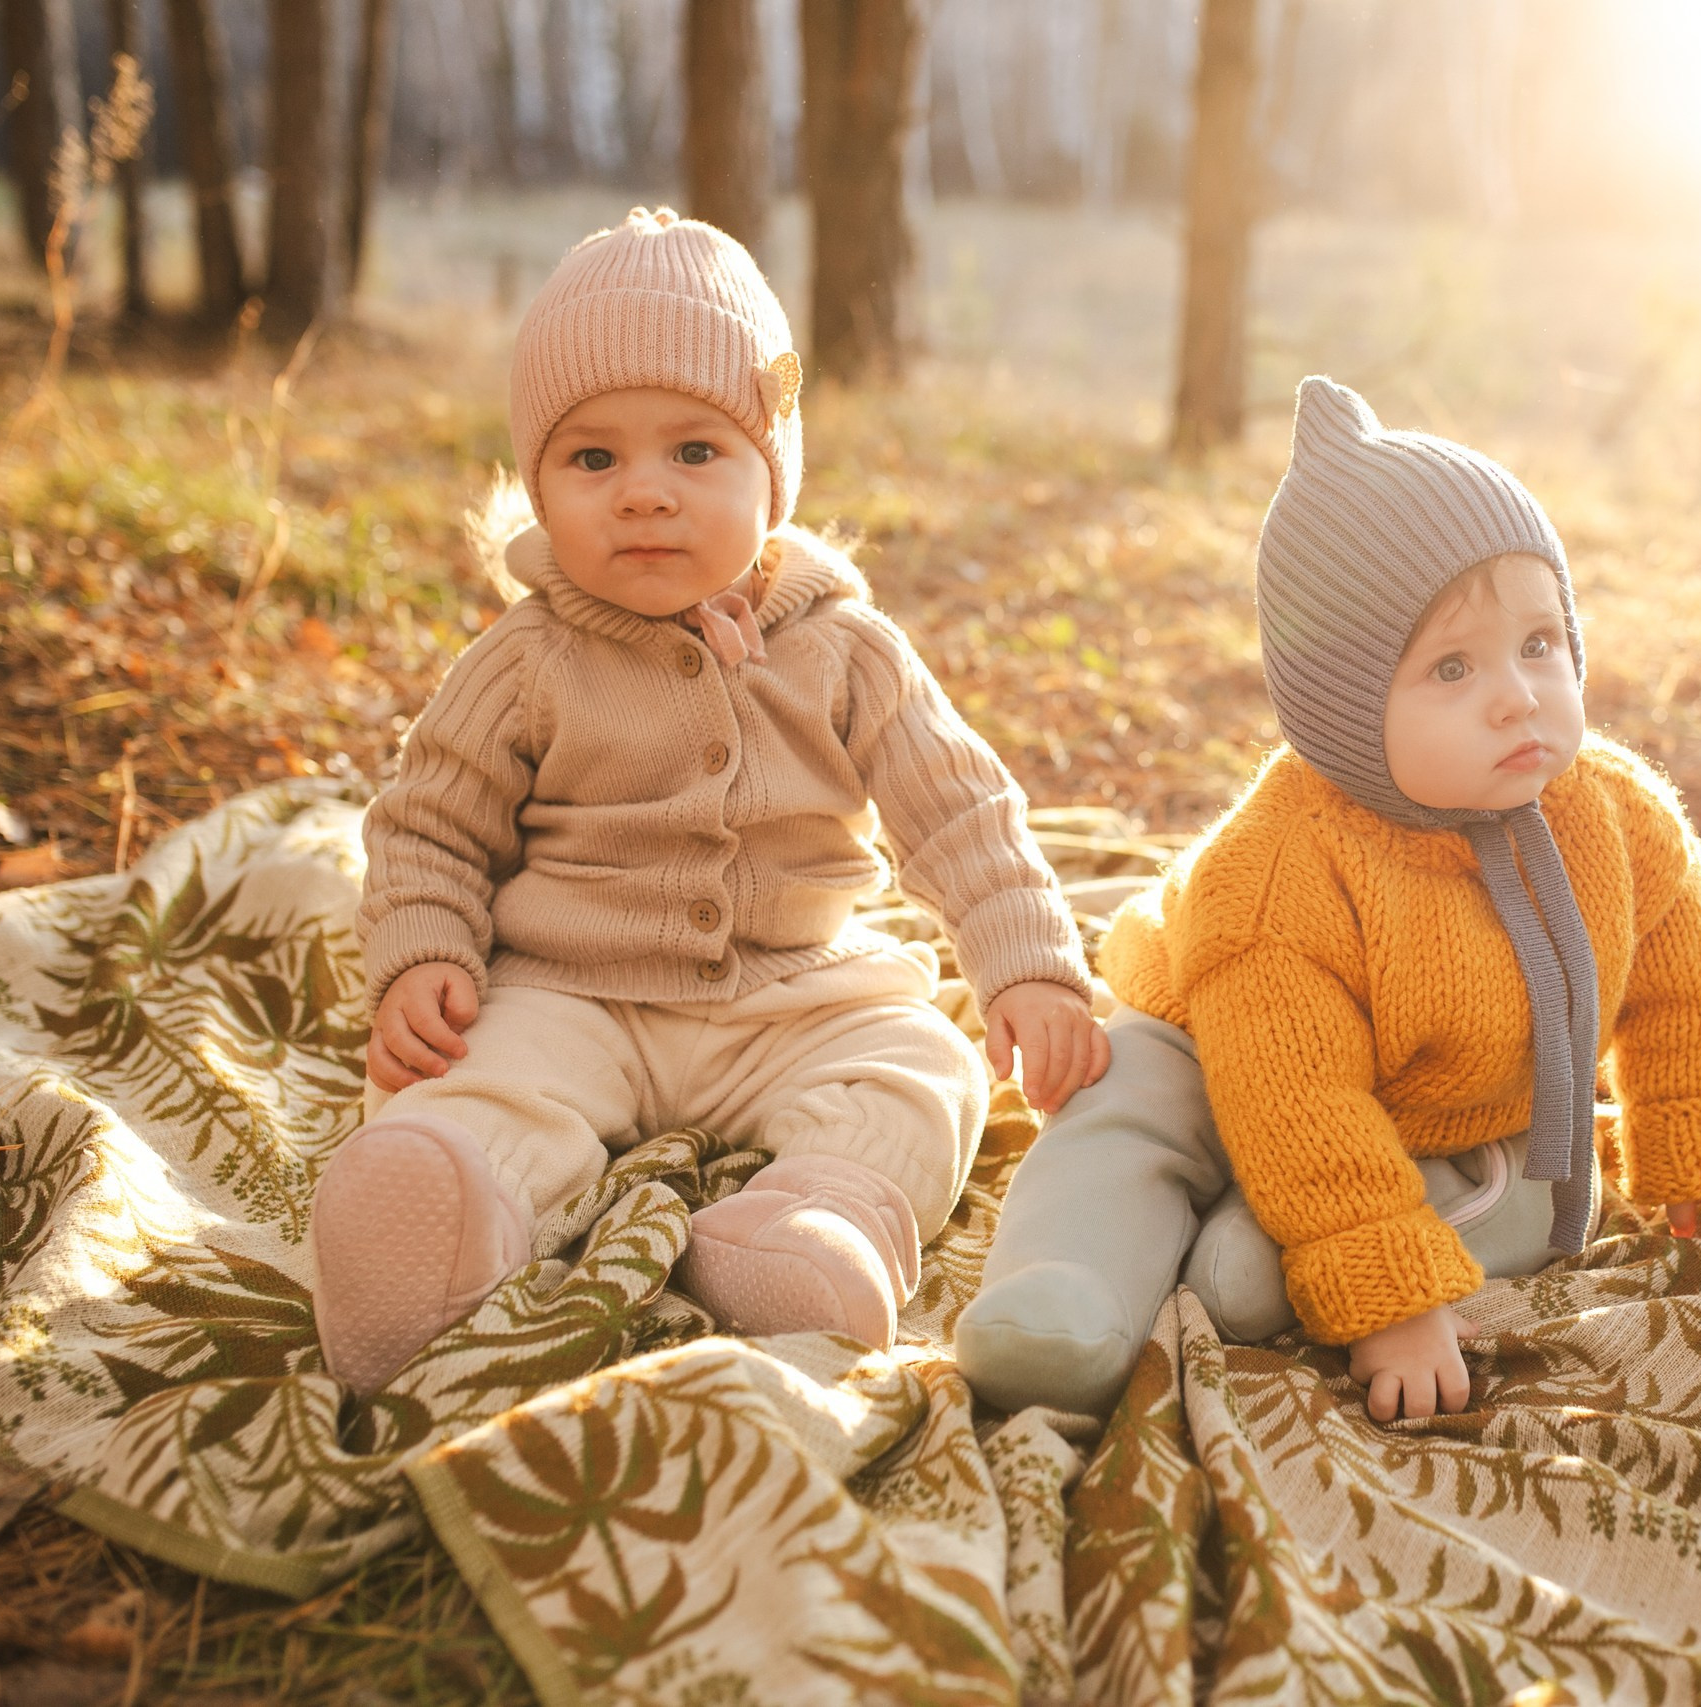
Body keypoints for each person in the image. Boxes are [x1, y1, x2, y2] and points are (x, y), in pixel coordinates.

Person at [311, 208, 1107, 1395]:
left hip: (791, 989)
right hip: (568, 988)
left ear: (771, 476)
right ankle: (442, 1217)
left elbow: (958, 811)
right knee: (465, 1079)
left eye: (695, 453)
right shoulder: (526, 658)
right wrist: (421, 951)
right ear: (538, 483)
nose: (644, 495)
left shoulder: (845, 649)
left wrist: (1027, 963)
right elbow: (431, 818)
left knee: (921, 1068)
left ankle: (810, 1224)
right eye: (594, 460)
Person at [957, 377, 1701, 1424]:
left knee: (1508, 1197)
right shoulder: (1277, 878)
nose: (1516, 695)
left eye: (1540, 645)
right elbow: (1295, 1100)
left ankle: (1263, 1257)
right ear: (1341, 706)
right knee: (1123, 1118)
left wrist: (1698, 1147)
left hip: (1435, 1113)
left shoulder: (1616, 818)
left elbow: (1687, 997)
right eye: (1450, 666)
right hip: (1213, 1052)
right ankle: (1065, 1292)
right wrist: (1392, 1306)